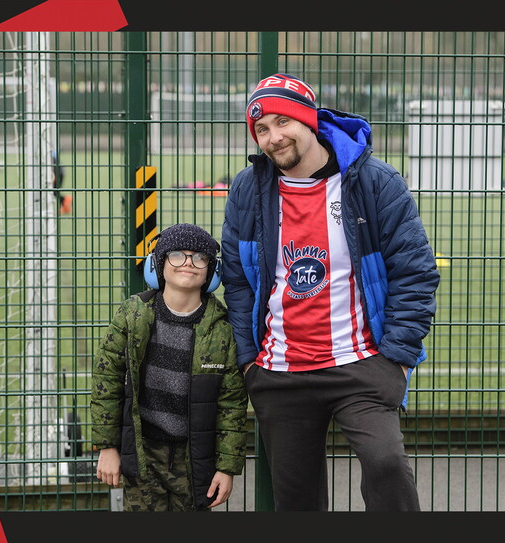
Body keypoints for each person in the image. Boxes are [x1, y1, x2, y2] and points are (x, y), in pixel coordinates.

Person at [221, 73, 439, 511]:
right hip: (279, 372)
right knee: (297, 502)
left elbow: (414, 272)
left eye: (283, 122)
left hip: (361, 364)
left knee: (387, 465)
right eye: (261, 129)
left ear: (308, 120)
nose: (273, 137)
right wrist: (249, 362)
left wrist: (395, 359)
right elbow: (238, 279)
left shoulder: (374, 182)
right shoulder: (249, 188)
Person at [90, 223, 248, 511]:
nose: (188, 263)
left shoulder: (222, 329)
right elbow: (107, 381)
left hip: (195, 459)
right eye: (177, 254)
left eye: (199, 257)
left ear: (211, 271)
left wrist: (227, 468)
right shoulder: (132, 315)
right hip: (143, 453)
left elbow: (232, 405)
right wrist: (108, 447)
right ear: (160, 264)